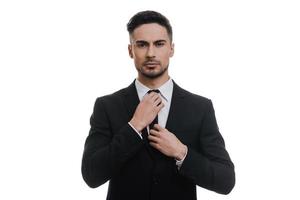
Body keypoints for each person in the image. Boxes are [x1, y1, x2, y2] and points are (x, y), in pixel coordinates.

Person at [81, 10, 235, 200]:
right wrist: (134, 126)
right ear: (131, 50)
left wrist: (181, 152)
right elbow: (91, 175)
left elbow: (225, 180)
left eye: (159, 44)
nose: (151, 53)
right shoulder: (107, 106)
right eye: (142, 45)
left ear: (171, 48)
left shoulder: (200, 108)